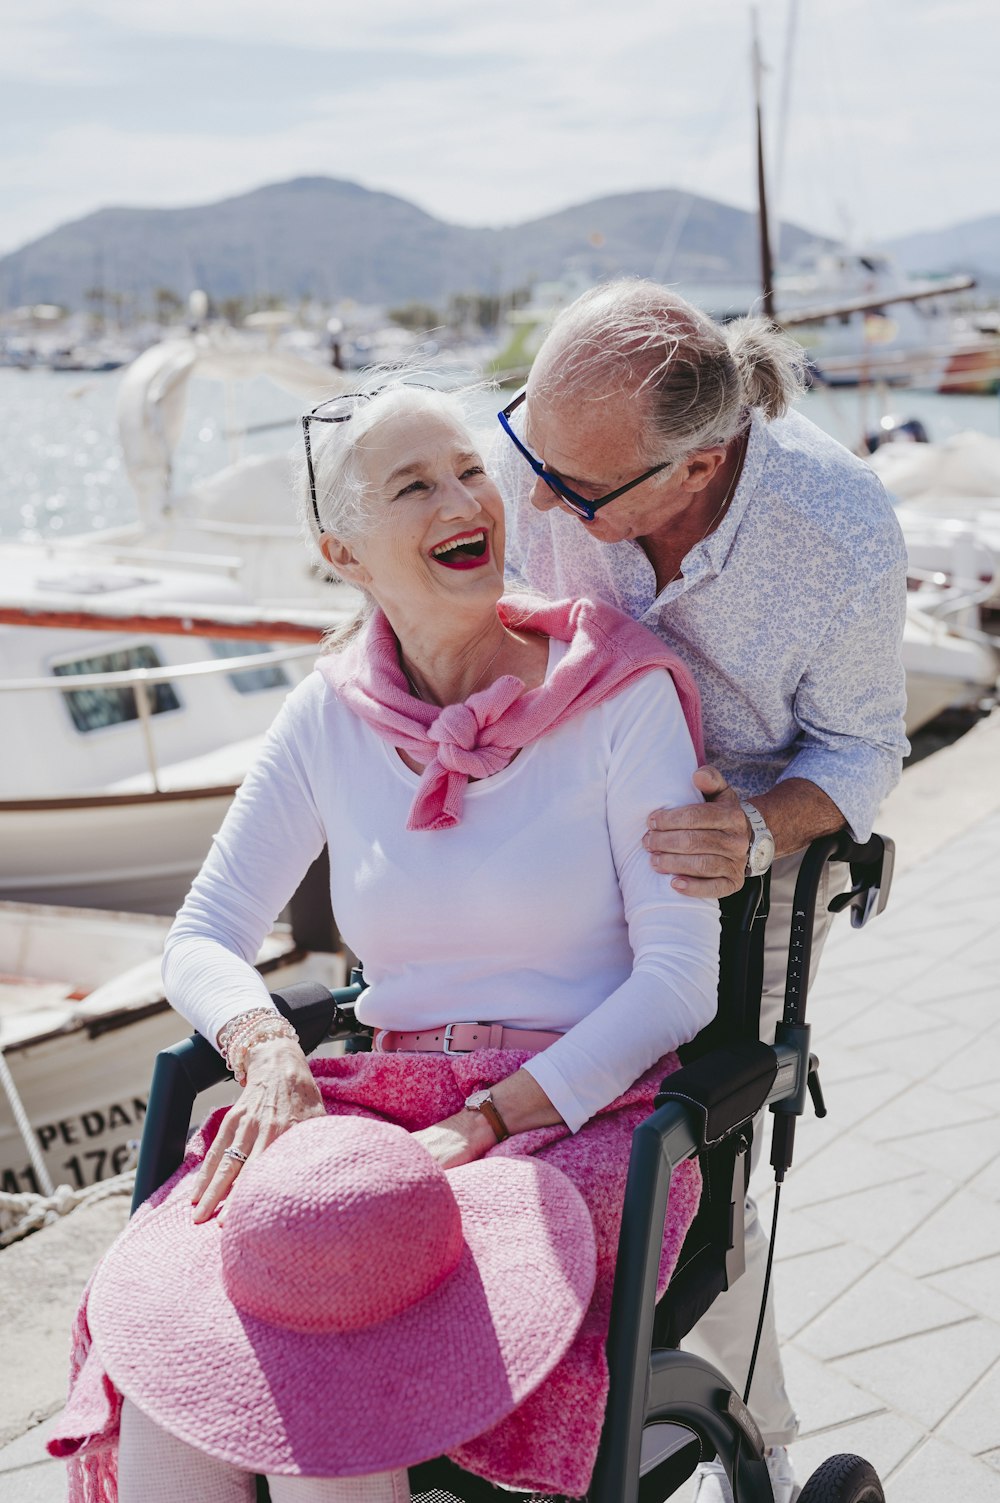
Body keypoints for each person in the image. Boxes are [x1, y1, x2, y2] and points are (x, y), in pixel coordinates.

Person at [48, 382, 720, 1503]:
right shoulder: (327, 717)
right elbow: (206, 935)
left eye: (468, 470)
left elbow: (677, 982)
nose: (464, 499)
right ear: (342, 551)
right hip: (373, 1109)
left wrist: (487, 1118)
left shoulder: (617, 692)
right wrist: (266, 1053)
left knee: (331, 1365)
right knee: (184, 1363)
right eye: (414, 485)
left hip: (576, 1114)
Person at [493, 279, 909, 1503]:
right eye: (532, 450)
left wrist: (762, 835)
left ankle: (739, 1434)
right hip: (566, 836)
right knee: (551, 1116)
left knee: (693, 1148)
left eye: (572, 490)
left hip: (729, 858)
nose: (534, 500)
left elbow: (860, 750)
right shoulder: (562, 461)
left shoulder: (836, 532)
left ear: (698, 464)